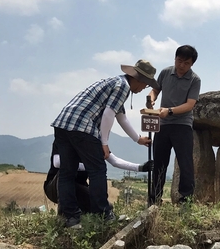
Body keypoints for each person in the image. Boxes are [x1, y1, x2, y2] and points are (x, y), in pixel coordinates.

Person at [51, 60, 159, 228]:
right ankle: (102, 214)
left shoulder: (115, 83)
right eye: (145, 85)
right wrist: (104, 142)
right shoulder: (123, 86)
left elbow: (120, 117)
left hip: (63, 124)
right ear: (139, 79)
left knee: (67, 171)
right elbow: (109, 114)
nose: (143, 89)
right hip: (82, 125)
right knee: (98, 170)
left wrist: (138, 139)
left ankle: (71, 217)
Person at [146, 45, 201, 204]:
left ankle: (186, 198)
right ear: (175, 58)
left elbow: (190, 105)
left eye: (186, 63)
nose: (182, 65)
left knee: (185, 162)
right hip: (162, 124)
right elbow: (155, 90)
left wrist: (169, 111)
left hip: (182, 125)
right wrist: (151, 98)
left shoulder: (194, 80)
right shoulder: (165, 72)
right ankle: (155, 198)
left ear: (192, 64)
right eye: (179, 61)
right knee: (159, 162)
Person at [43, 141, 153, 214]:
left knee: (105, 207)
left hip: (79, 188)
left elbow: (114, 160)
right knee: (64, 174)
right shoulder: (65, 136)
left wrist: (141, 167)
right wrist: (90, 165)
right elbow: (57, 162)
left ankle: (82, 215)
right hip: (54, 187)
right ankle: (64, 216)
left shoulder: (93, 141)